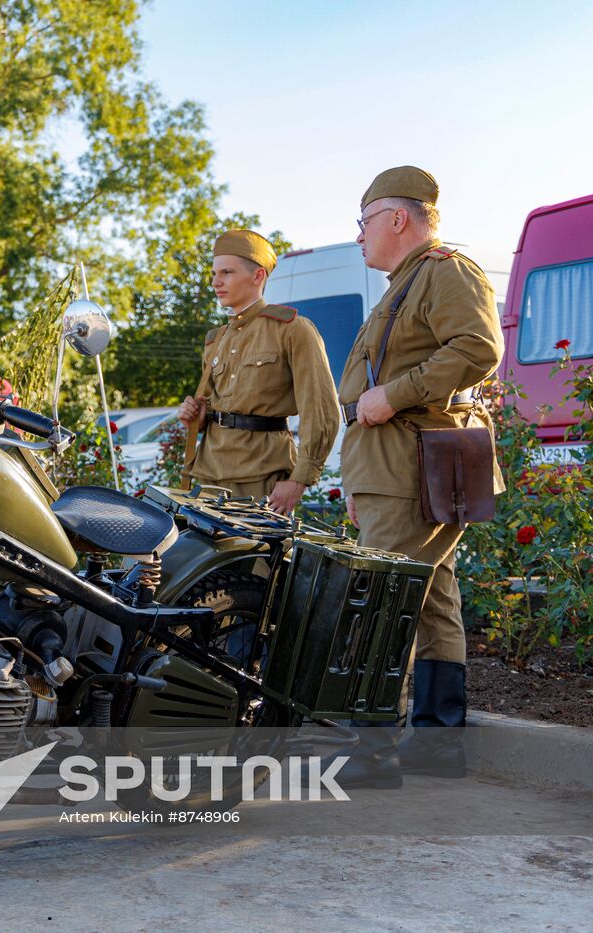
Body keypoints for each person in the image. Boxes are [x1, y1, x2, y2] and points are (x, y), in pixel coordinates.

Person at [336, 166, 503, 786]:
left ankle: (370, 751)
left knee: (381, 598)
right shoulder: (404, 284)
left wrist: (396, 394)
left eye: (364, 222)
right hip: (395, 464)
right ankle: (435, 743)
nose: (359, 236)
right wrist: (358, 477)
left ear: (398, 218)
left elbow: (478, 348)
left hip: (412, 462)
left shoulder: (444, 272)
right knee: (431, 601)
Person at [178, 230, 340, 513]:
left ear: (258, 276)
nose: (216, 282)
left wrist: (299, 480)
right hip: (208, 474)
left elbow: (321, 410)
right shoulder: (215, 339)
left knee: (258, 546)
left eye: (227, 272)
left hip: (262, 476)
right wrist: (199, 417)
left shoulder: (292, 330)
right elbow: (217, 404)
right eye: (214, 274)